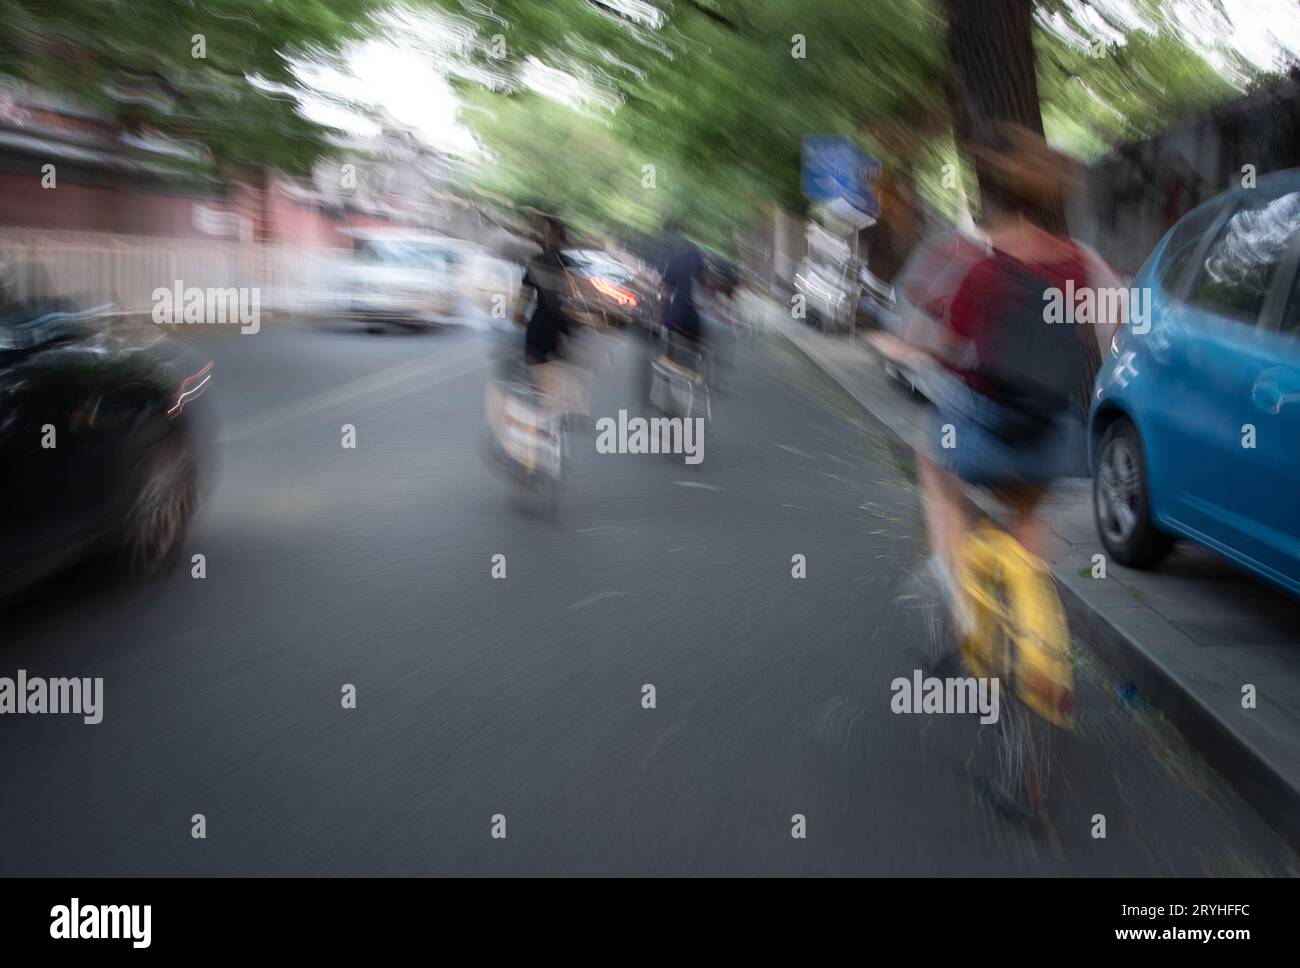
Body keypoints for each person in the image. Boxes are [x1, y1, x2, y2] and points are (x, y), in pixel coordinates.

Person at [869, 124, 1091, 626]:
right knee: (1028, 511)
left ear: (985, 194)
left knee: (932, 458)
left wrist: (903, 350)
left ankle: (952, 586)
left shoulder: (972, 259)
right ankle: (1035, 618)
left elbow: (951, 345)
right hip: (1056, 437)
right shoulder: (1075, 261)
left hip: (983, 435)